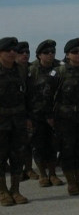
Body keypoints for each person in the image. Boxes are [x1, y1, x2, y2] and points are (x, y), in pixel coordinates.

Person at [47, 38, 79, 195]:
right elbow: (47, 96)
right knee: (68, 151)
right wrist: (50, 116)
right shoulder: (58, 72)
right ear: (67, 55)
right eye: (74, 52)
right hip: (65, 119)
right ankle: (71, 183)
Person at [0, 37, 31, 206]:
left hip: (18, 121)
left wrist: (28, 118)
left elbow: (27, 96)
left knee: (18, 156)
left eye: (14, 50)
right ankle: (3, 191)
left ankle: (15, 189)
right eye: (7, 50)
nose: (12, 53)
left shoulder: (21, 70)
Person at [29, 39, 65, 187]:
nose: (50, 55)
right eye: (46, 53)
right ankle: (43, 174)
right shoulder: (32, 70)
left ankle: (53, 174)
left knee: (53, 144)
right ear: (39, 55)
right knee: (39, 145)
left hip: (55, 113)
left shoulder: (60, 67)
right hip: (37, 114)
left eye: (52, 52)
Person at [15, 41, 39, 181]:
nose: (25, 55)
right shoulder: (11, 70)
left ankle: (28, 169)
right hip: (12, 113)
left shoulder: (32, 69)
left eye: (27, 52)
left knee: (28, 142)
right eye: (21, 52)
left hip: (29, 110)